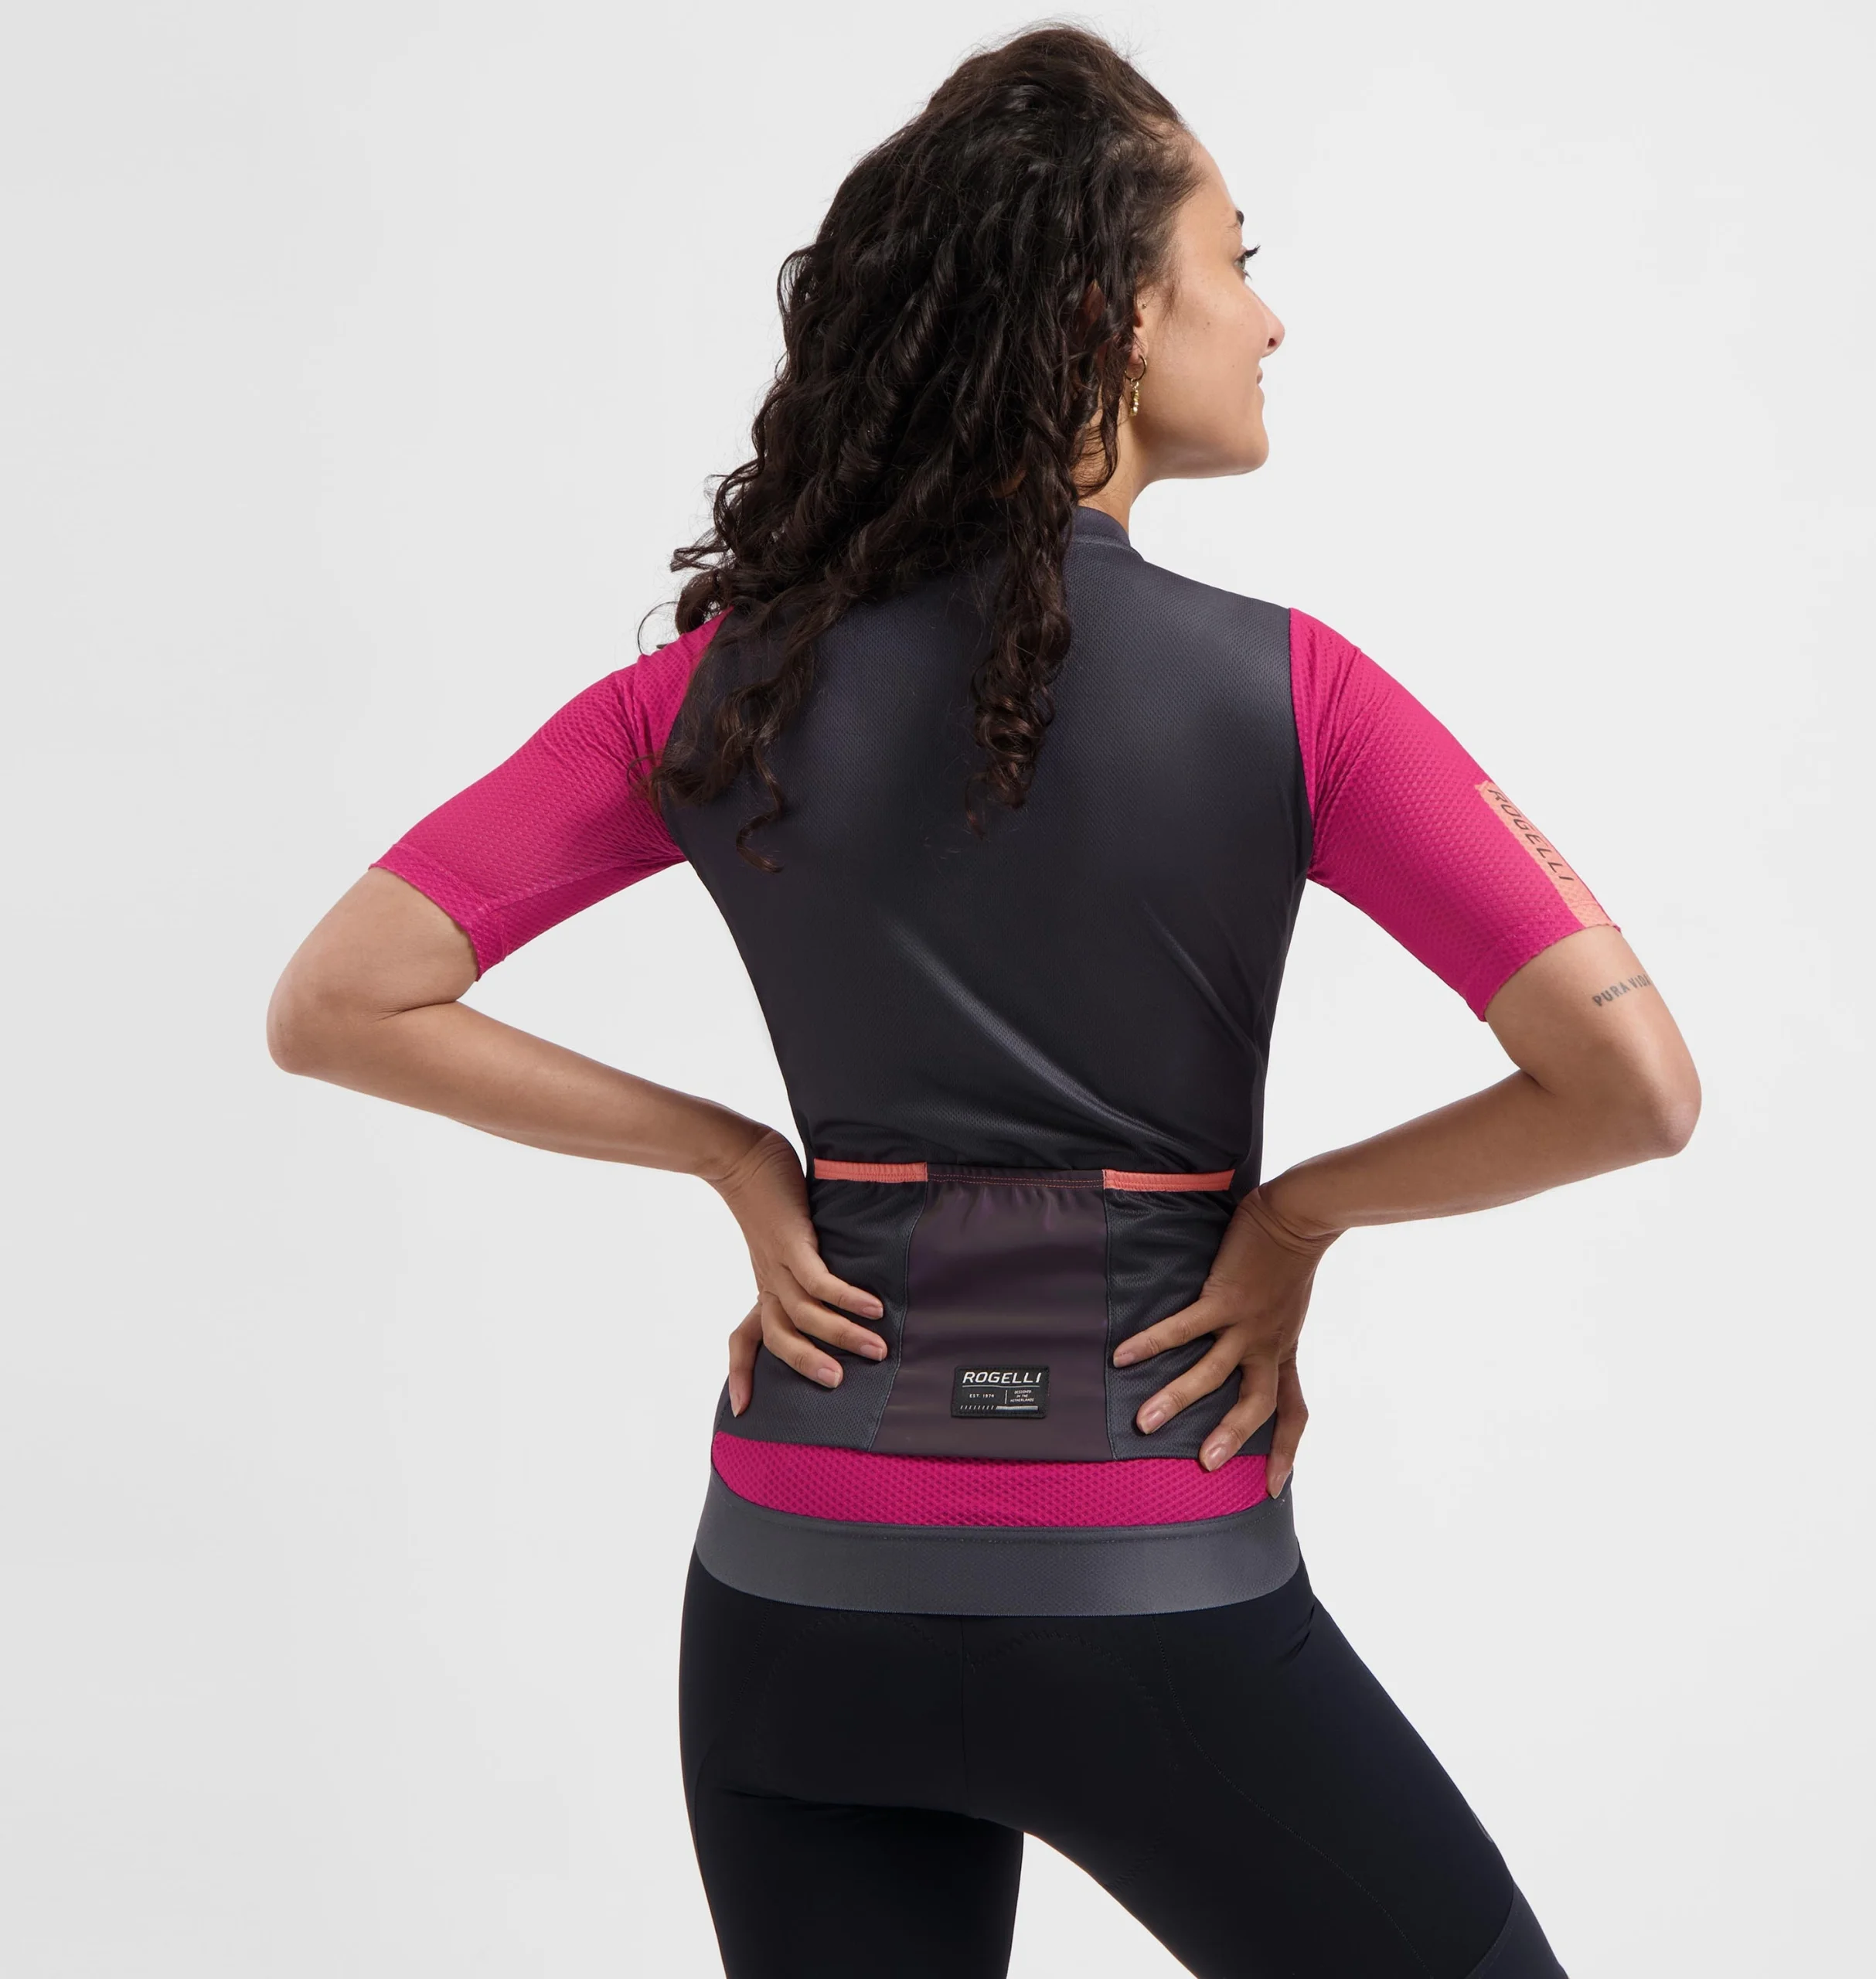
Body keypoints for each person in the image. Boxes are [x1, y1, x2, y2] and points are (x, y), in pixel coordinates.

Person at [267, 26, 1699, 1978]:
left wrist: (736, 1158)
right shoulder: (1297, 697)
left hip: (790, 1605)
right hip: (1143, 1594)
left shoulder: (716, 693)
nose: (1270, 318)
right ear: (1116, 315)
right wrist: (1291, 1221)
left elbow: (342, 996)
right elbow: (1629, 1083)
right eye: (1235, 259)